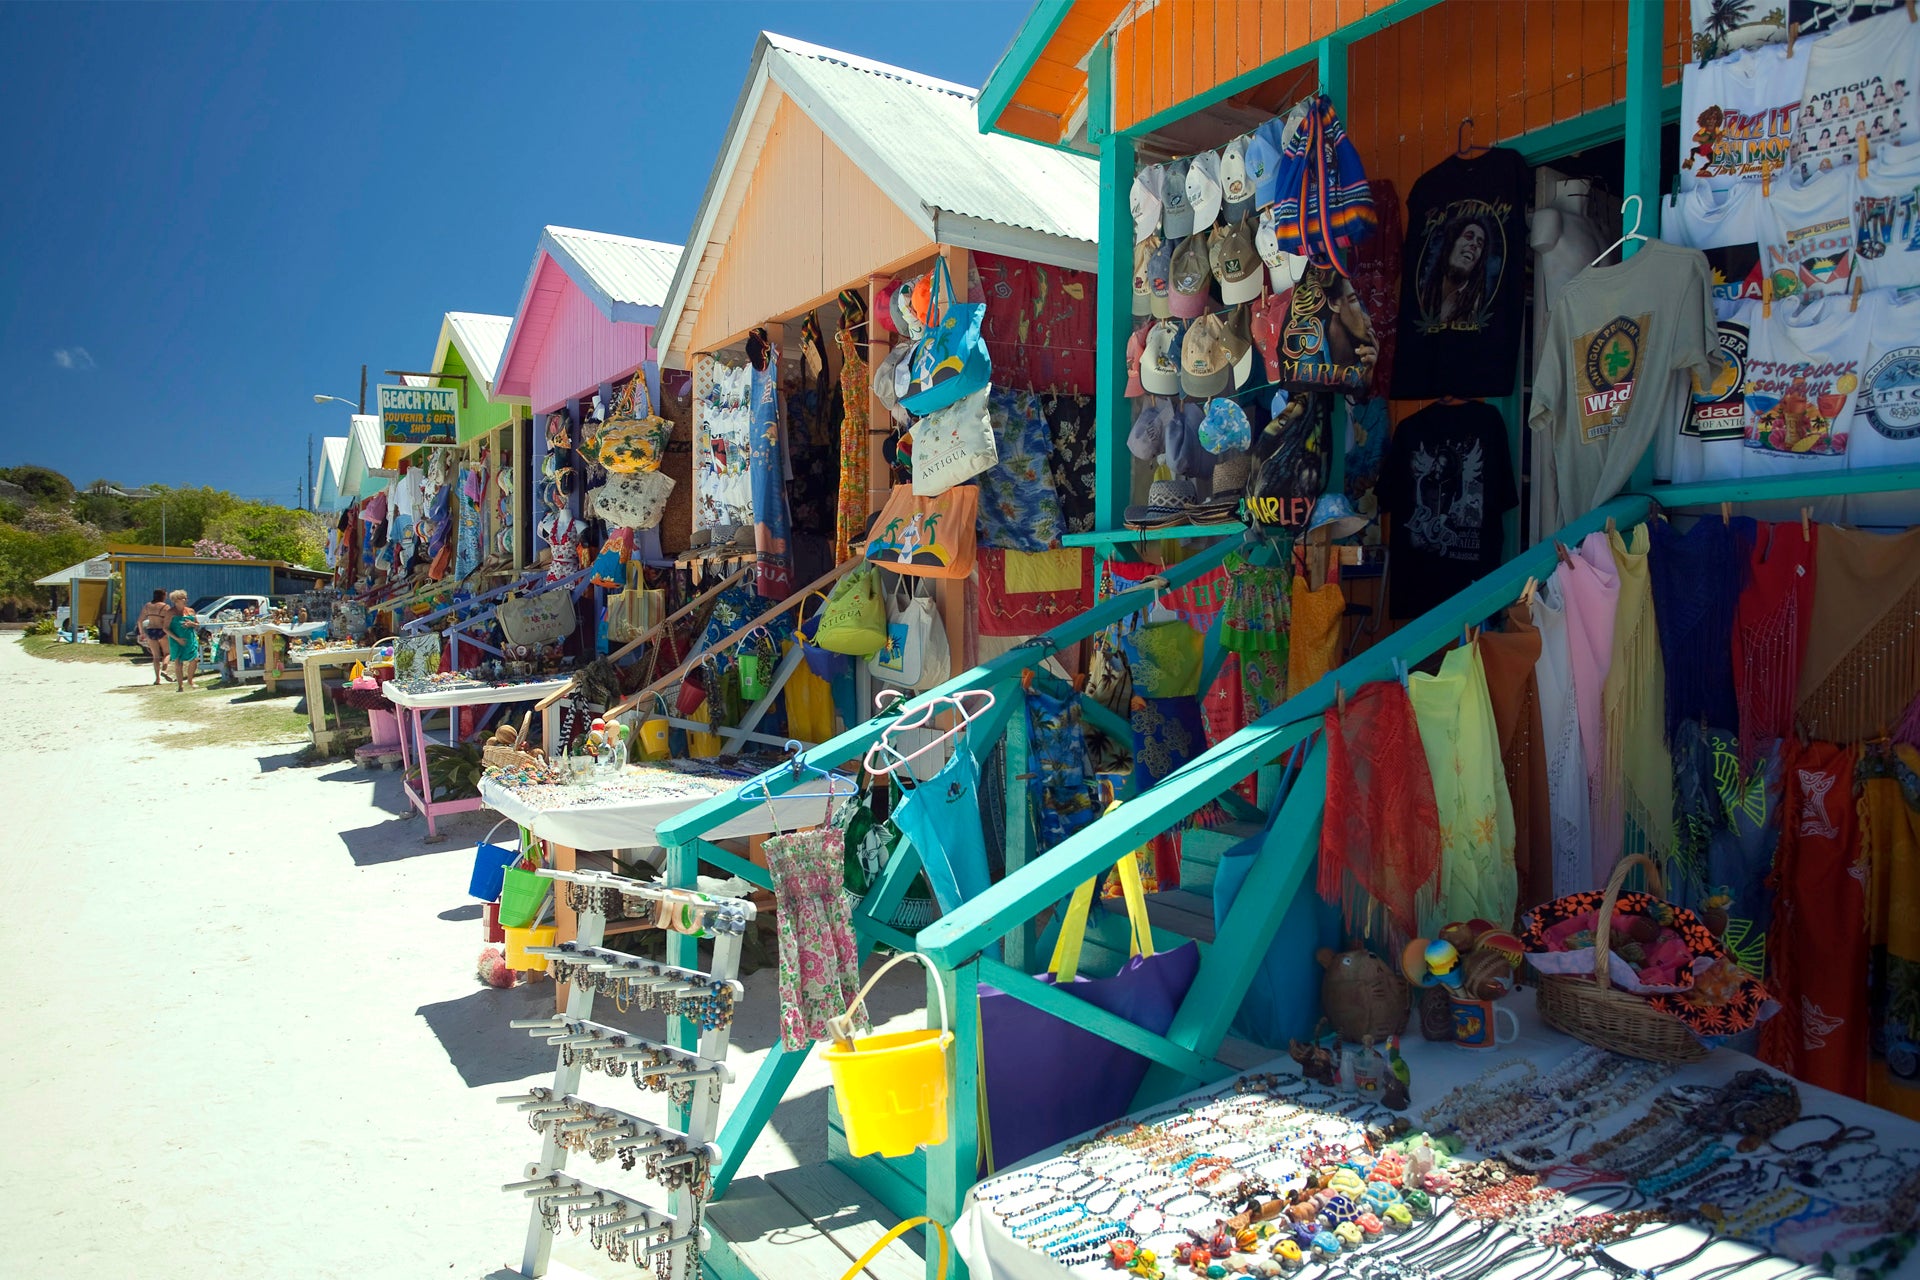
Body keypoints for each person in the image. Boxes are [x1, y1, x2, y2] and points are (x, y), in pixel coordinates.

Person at [166, 590, 200, 691]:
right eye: (182, 598)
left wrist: (192, 624)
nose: (185, 600)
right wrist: (177, 639)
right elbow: (165, 628)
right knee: (178, 662)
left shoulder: (191, 611)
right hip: (176, 640)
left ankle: (190, 680)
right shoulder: (171, 612)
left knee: (194, 659)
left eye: (185, 597)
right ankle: (180, 685)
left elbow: (198, 625)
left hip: (190, 638)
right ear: (175, 600)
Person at [135, 589, 171, 686]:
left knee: (155, 657)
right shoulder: (165, 607)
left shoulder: (148, 606)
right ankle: (164, 669)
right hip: (162, 631)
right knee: (167, 653)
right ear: (163, 596)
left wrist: (142, 633)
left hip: (151, 631)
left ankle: (157, 679)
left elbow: (140, 620)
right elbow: (169, 621)